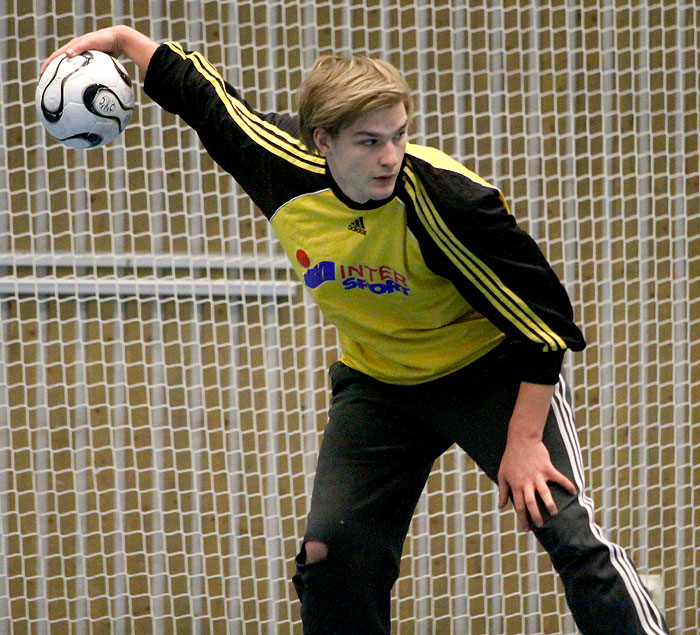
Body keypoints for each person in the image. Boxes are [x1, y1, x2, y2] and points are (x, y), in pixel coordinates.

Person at [43, 26, 669, 635]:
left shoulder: (449, 201)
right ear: (322, 141)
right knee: (331, 552)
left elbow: (547, 320)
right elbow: (204, 98)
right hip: (380, 385)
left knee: (565, 532)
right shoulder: (279, 168)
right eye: (369, 141)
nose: (390, 157)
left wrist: (526, 438)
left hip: (491, 373)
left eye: (399, 136)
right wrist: (124, 41)